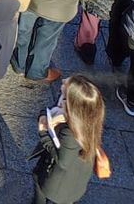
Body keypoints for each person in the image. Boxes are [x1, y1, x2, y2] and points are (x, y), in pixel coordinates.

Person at [30, 75, 108, 204]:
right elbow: (51, 110)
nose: (63, 81)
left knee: (38, 184)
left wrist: (43, 133)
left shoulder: (70, 133)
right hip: (76, 179)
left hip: (56, 184)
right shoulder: (90, 116)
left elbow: (63, 162)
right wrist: (44, 115)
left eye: (64, 94)